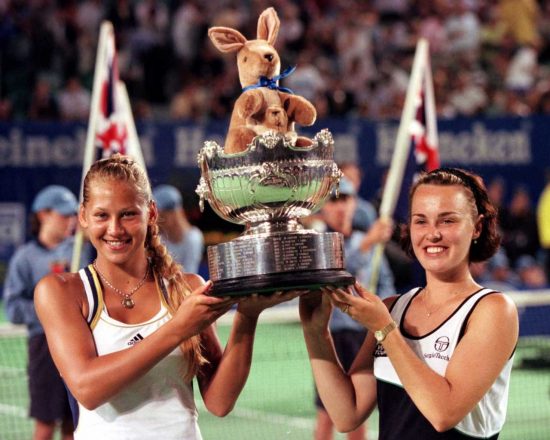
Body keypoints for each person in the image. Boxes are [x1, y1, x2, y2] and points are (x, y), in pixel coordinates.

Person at [33, 154, 298, 439]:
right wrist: (177, 329)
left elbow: (219, 402)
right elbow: (88, 389)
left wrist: (248, 315)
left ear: (151, 213)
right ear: (83, 216)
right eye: (102, 215)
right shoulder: (61, 291)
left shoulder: (186, 289)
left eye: (128, 214)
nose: (115, 229)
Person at [300, 167, 519, 439]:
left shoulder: (492, 310)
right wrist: (315, 331)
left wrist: (385, 329)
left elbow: (443, 413)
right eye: (421, 221)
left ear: (477, 227)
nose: (432, 234)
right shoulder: (394, 308)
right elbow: (347, 414)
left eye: (447, 221)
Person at [4, 185, 91, 440]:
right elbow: (14, 309)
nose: (70, 221)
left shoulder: (79, 250)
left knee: (73, 425)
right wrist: (53, 311)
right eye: (63, 215)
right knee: (45, 425)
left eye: (72, 215)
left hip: (80, 344)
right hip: (43, 348)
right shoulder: (24, 258)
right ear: (43, 215)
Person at [312, 176, 394, 440]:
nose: (339, 206)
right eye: (333, 200)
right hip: (331, 339)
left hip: (365, 338)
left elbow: (385, 282)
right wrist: (368, 243)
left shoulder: (368, 240)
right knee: (327, 414)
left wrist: (382, 311)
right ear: (324, 208)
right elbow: (337, 275)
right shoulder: (318, 243)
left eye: (345, 199)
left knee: (360, 413)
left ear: (354, 203)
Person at [152, 184, 204, 274]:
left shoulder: (193, 237)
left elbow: (189, 274)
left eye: (162, 214)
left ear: (173, 213)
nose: (157, 220)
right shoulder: (158, 238)